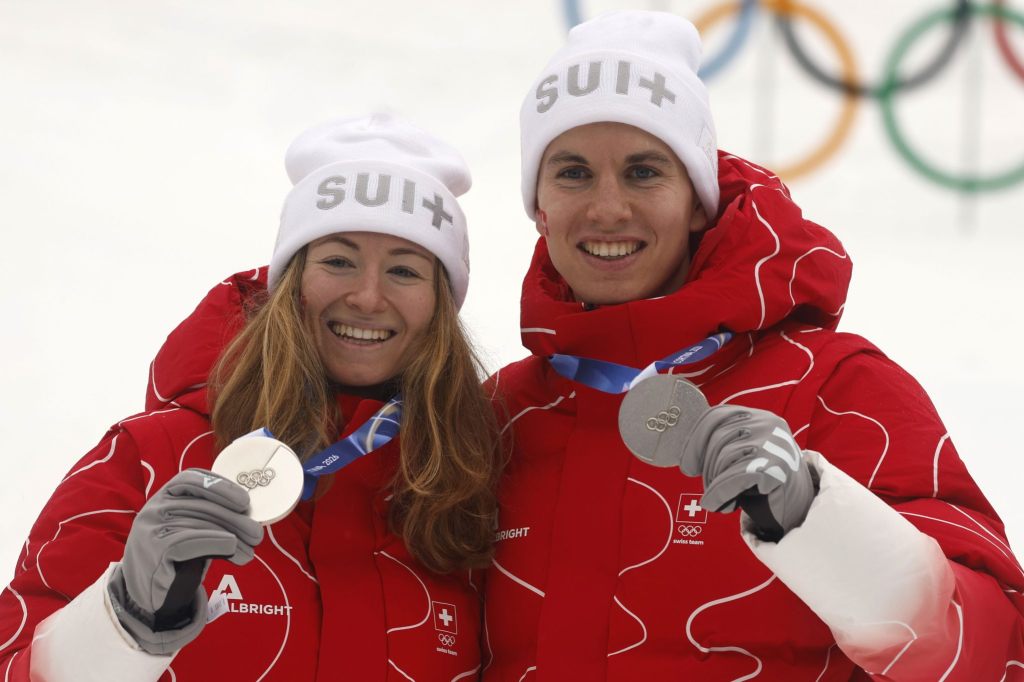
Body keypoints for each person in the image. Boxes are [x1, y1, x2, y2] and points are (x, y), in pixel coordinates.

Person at [483, 11, 1024, 680]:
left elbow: (991, 653)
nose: (607, 208)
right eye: (571, 173)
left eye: (645, 171)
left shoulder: (837, 388)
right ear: (537, 202)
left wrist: (818, 519)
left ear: (700, 200)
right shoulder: (496, 415)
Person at [0, 113, 500, 680]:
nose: (367, 296)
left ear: (441, 305)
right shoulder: (150, 459)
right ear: (289, 283)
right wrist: (123, 619)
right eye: (338, 260)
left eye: (405, 271)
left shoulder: (467, 483)